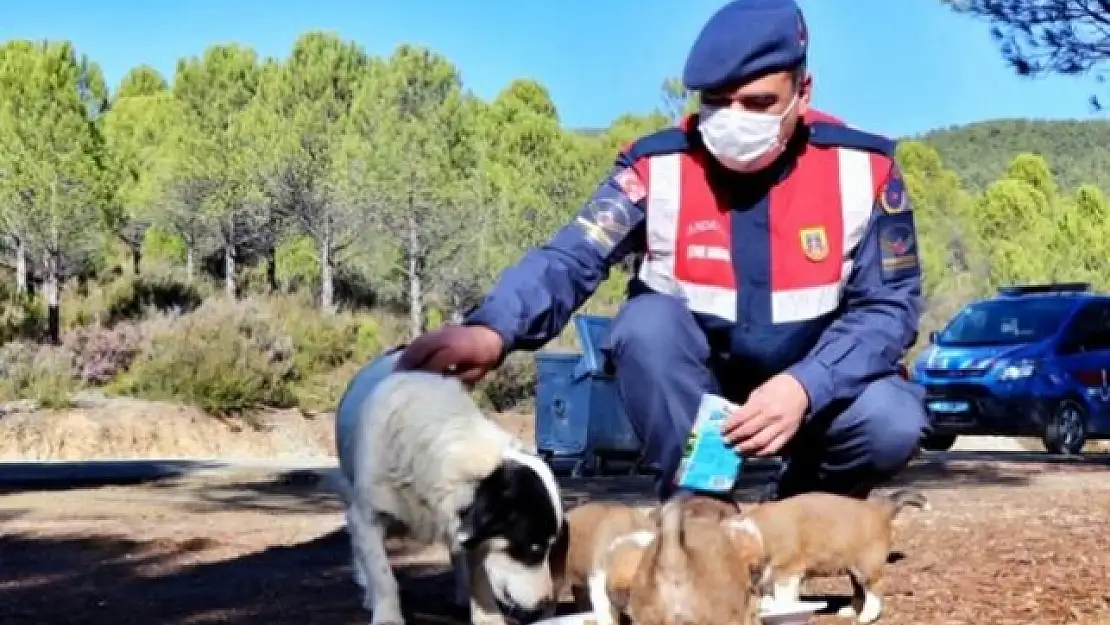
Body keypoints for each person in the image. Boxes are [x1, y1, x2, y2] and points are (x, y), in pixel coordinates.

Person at [396, 0, 929, 501]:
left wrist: (805, 386)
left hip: (813, 387)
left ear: (803, 92)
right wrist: (493, 329)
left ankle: (797, 511)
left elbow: (888, 307)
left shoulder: (863, 169)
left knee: (891, 420)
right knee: (645, 323)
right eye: (716, 102)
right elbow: (570, 258)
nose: (734, 119)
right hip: (698, 394)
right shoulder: (655, 168)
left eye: (758, 103)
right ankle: (702, 512)